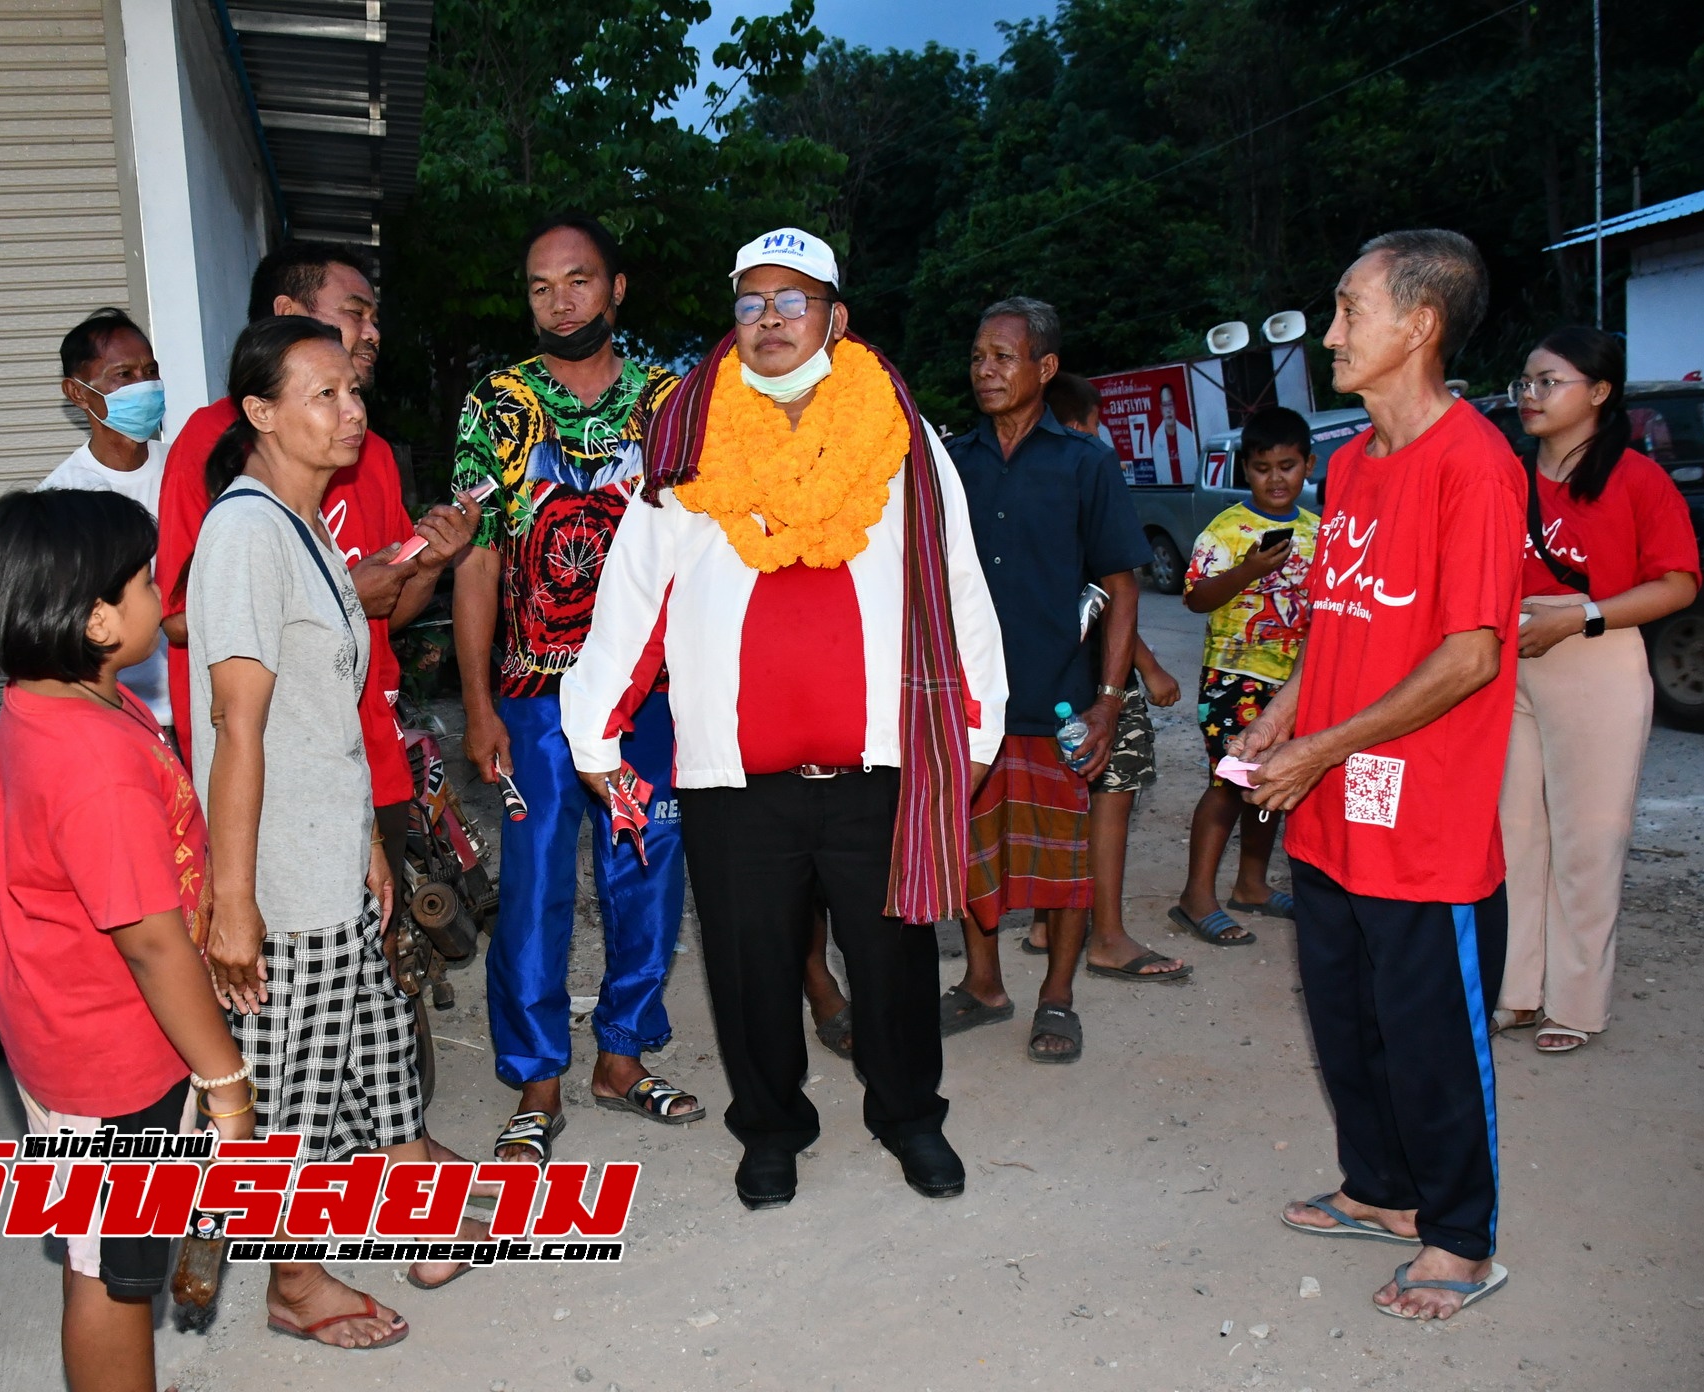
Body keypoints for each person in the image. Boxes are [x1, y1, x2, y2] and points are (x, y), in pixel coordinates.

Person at [562, 227, 1008, 1208]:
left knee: (891, 966)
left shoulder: (903, 438)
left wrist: (977, 729)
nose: (769, 320)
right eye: (751, 301)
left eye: (792, 300)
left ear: (835, 318)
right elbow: (632, 595)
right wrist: (593, 728)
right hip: (734, 778)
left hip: (878, 765)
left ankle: (909, 1118)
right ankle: (770, 1130)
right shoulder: (683, 440)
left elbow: (957, 585)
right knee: (750, 970)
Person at [1241, 229, 1523, 1321]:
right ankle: (1386, 1193)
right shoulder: (1351, 462)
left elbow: (1470, 655)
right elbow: (1342, 617)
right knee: (1347, 1017)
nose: (1332, 329)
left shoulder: (1477, 467)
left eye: (1352, 309)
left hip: (1426, 824)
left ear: (1421, 325)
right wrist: (1286, 709)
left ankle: (1461, 1238)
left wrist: (1324, 745)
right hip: (1331, 809)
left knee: (1432, 1037)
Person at [191, 316, 485, 1344]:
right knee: (292, 1088)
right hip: (277, 869)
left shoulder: (306, 528)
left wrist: (365, 833)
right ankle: (293, 1280)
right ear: (260, 412)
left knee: (375, 1047)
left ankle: (409, 1207)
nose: (350, 409)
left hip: (329, 843)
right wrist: (234, 903)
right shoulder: (242, 533)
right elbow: (239, 725)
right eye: (322, 393)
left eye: (353, 390)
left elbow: (326, 703)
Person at [0, 489, 254, 1392]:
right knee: (114, 1277)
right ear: (91, 618)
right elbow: (151, 942)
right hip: (112, 1058)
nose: (164, 594)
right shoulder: (91, 760)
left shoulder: (65, 701)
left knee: (118, 1253)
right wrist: (227, 1086)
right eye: (148, 580)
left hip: (81, 1031)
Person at [452, 215, 696, 1164]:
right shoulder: (497, 406)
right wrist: (477, 705)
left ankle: (623, 1058)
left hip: (650, 695)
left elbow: (706, 550)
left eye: (579, 281)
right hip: (534, 700)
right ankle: (538, 1077)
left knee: (648, 871)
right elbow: (476, 559)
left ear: (617, 289)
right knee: (537, 886)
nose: (559, 301)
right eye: (541, 286)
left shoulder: (671, 403)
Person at [156, 241, 475, 925]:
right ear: (288, 313)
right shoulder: (215, 448)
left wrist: (428, 562)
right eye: (355, 313)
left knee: (376, 954)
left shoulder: (370, 453)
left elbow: (391, 614)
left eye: (374, 317)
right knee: (284, 979)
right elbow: (182, 619)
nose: (372, 332)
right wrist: (334, 596)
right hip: (270, 776)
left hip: (366, 756)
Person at [941, 298, 1176, 1065]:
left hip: (1063, 695)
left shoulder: (1086, 463)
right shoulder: (951, 463)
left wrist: (1110, 703)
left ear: (1044, 368)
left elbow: (1122, 583)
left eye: (1004, 357)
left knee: (1062, 859)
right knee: (975, 849)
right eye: (978, 356)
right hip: (973, 701)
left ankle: (1059, 996)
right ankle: (983, 985)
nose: (986, 370)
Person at [1494, 326, 1700, 1053]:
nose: (1530, 395)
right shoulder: (1508, 474)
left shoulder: (1638, 479)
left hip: (1596, 656)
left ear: (1600, 391)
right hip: (1508, 661)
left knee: (1589, 840)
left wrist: (1580, 615)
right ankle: (1517, 990)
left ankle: (1576, 1005)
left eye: (1549, 382)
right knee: (1514, 835)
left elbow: (1678, 583)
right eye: (1525, 382)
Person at [1172, 405, 1321, 946]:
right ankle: (1195, 897)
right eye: (1262, 467)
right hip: (1233, 678)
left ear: (1309, 463)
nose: (1276, 478)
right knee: (1229, 785)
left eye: (1288, 465)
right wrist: (1249, 570)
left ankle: (1252, 885)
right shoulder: (1228, 529)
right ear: (1245, 470)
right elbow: (1194, 599)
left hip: (1294, 684)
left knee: (1273, 781)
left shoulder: (1321, 532)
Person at [40, 308, 173, 730]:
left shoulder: (187, 468)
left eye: (150, 371)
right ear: (77, 393)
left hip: (205, 708)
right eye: (124, 375)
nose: (145, 385)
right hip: (125, 718)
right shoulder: (65, 500)